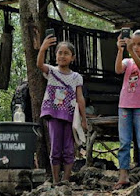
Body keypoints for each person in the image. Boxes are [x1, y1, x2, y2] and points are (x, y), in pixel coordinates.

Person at [37, 34, 88, 184]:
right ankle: (55, 181)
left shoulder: (76, 77)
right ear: (55, 55)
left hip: (70, 115)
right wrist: (43, 48)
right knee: (55, 148)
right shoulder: (51, 71)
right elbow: (39, 64)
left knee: (69, 149)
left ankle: (66, 179)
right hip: (53, 114)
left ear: (73, 57)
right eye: (60, 52)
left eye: (66, 53)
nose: (62, 56)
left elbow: (80, 98)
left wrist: (84, 119)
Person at [114, 29, 140, 189]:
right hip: (125, 105)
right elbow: (118, 69)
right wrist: (120, 50)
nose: (136, 46)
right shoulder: (128, 61)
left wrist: (131, 51)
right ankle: (123, 174)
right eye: (134, 43)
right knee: (124, 141)